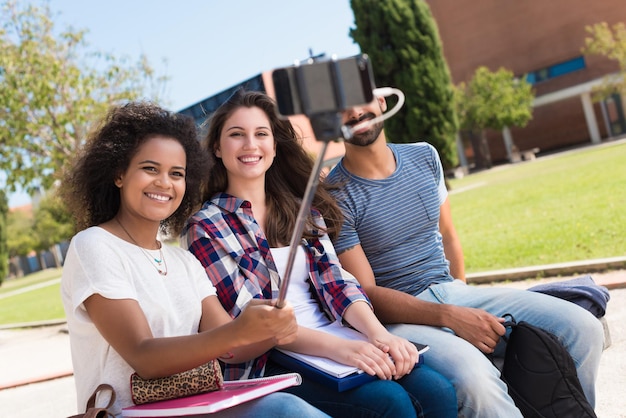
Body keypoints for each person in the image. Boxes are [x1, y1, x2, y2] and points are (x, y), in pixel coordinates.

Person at [181, 90, 457, 418]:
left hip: (339, 333)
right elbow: (255, 325)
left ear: (274, 144)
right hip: (272, 360)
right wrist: (344, 350)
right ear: (216, 147)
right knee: (389, 404)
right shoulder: (206, 226)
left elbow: (338, 283)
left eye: (261, 134)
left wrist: (378, 336)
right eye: (236, 135)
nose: (250, 145)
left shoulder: (301, 210)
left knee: (437, 392)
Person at [324, 95, 605, 417]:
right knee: (475, 380)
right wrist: (450, 316)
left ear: (382, 101)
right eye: (340, 106)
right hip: (399, 317)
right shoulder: (333, 194)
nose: (356, 112)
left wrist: (463, 302)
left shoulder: (424, 156)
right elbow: (366, 294)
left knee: (581, 327)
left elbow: (448, 235)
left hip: (452, 290)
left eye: (361, 100)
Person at [60, 102, 329, 418]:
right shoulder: (94, 245)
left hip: (199, 407)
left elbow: (230, 349)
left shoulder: (182, 262)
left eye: (177, 173)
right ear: (119, 173)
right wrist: (237, 331)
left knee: (290, 407)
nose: (164, 182)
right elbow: (144, 356)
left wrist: (268, 325)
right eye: (150, 168)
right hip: (127, 413)